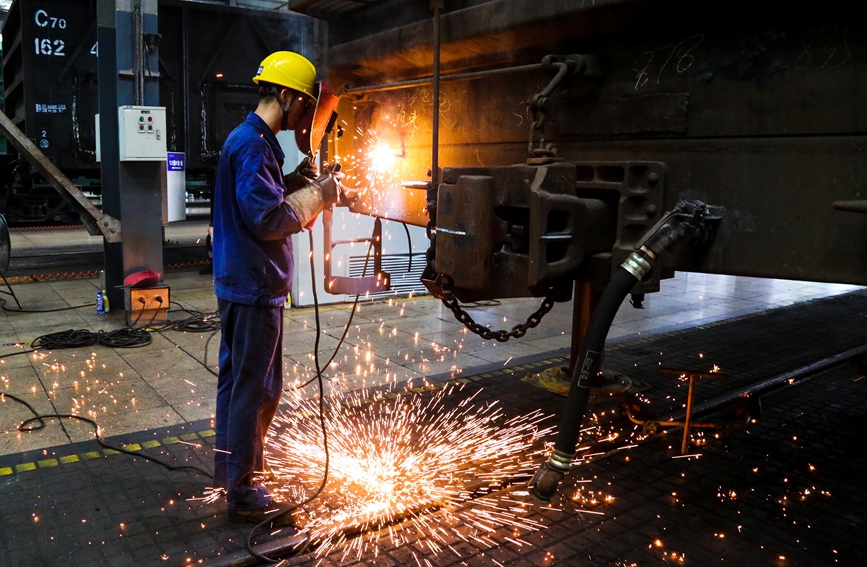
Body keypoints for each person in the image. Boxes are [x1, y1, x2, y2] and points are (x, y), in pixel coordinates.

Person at [211, 51, 344, 527]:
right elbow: (268, 218)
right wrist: (321, 194)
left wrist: (295, 181)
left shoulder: (252, 140)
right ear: (287, 96)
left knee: (243, 384)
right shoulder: (252, 144)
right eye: (305, 105)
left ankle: (233, 472)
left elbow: (262, 194)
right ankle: (243, 492)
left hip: (244, 283)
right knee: (256, 389)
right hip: (253, 285)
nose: (306, 116)